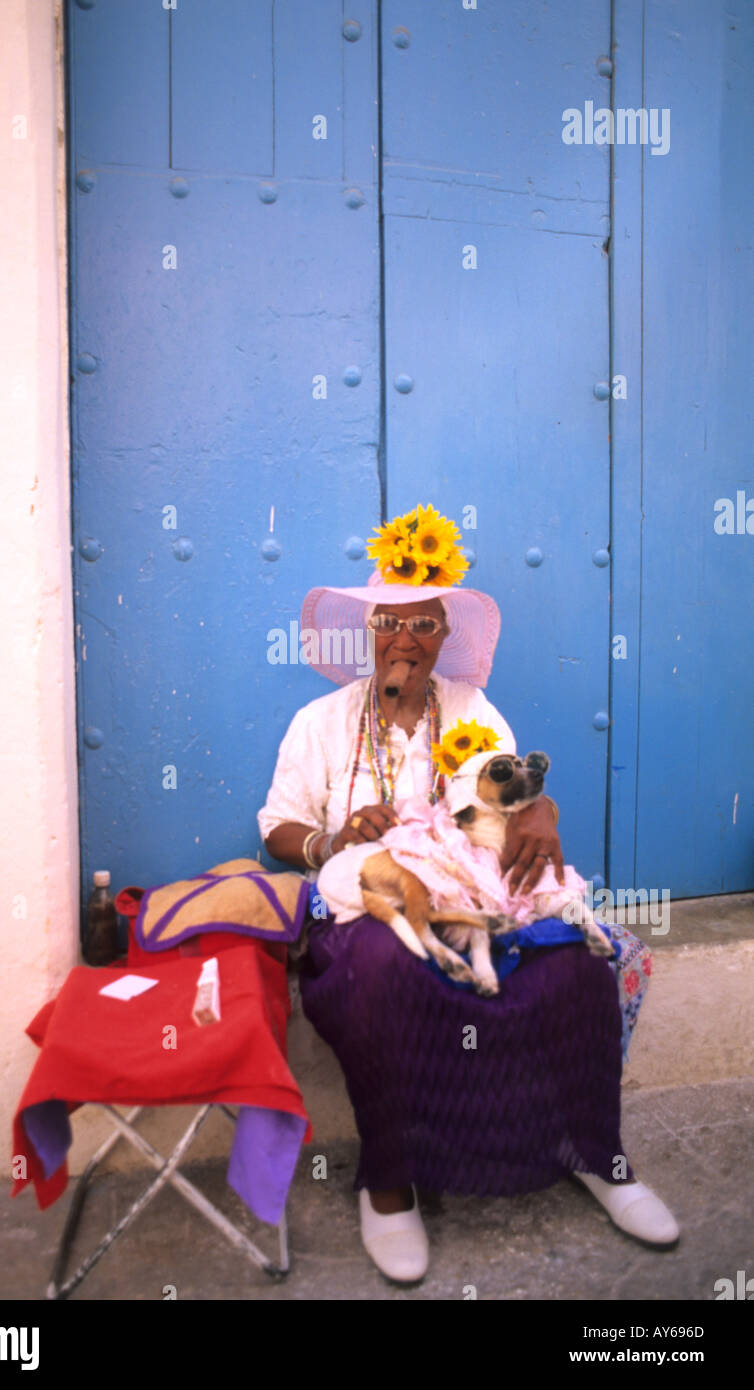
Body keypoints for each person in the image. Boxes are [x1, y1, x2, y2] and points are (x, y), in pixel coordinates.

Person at [258, 505, 678, 1283]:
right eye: (392, 624)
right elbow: (280, 826)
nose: (406, 642)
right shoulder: (320, 722)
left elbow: (515, 789)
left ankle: (593, 1154)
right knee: (383, 973)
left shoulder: (473, 712)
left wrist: (542, 808)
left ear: (444, 636)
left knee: (577, 968)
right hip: (370, 907)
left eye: (424, 627)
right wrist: (334, 838)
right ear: (371, 631)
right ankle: (390, 1181)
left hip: (472, 899)